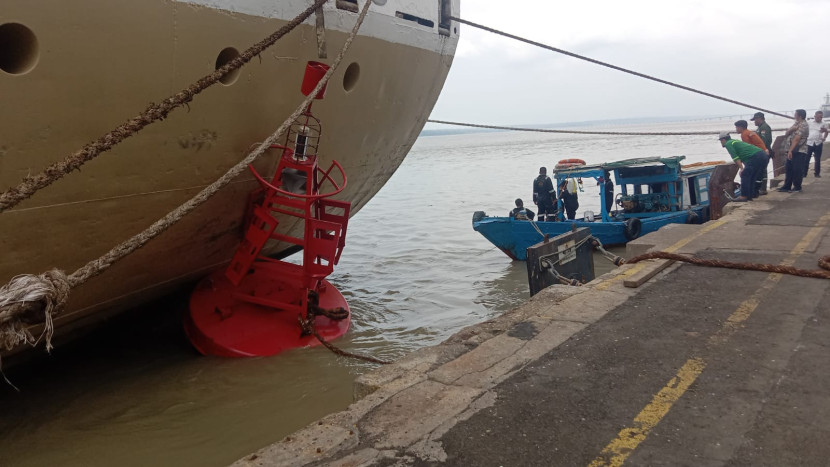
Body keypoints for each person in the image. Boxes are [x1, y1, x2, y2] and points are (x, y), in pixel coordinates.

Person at [718, 132, 769, 201]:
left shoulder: (728, 144)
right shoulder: (735, 141)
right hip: (762, 155)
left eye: (721, 141)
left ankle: (744, 196)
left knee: (745, 175)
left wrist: (742, 169)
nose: (721, 143)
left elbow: (735, 158)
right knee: (752, 176)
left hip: (755, 156)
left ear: (723, 140)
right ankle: (751, 195)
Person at [778, 109, 810, 193]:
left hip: (799, 150)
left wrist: (790, 151)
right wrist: (793, 129)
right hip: (791, 150)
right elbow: (787, 133)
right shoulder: (796, 124)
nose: (794, 116)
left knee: (797, 169)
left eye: (795, 114)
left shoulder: (804, 125)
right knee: (789, 169)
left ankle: (797, 187)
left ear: (800, 116)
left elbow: (797, 139)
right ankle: (787, 186)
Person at [751, 112, 774, 195]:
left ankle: (763, 188)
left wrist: (763, 151)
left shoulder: (764, 127)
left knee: (763, 170)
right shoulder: (759, 128)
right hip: (760, 152)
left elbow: (765, 141)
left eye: (755, 120)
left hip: (764, 151)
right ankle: (761, 187)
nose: (754, 122)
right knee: (760, 170)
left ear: (759, 118)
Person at [804, 110, 829, 178]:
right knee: (807, 159)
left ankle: (817, 173)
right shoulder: (809, 122)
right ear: (815, 116)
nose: (819, 118)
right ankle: (804, 173)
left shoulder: (824, 123)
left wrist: (824, 137)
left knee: (817, 159)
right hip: (809, 143)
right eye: (818, 117)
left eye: (821, 117)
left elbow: (826, 131)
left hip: (818, 143)